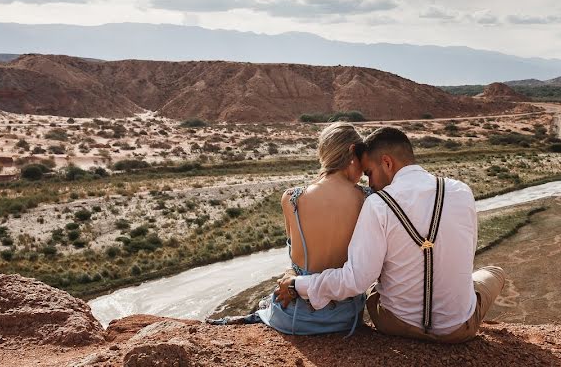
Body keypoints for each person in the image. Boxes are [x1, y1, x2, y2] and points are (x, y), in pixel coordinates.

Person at [276, 126, 506, 343]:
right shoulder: (461, 191)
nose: (370, 183)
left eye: (370, 173)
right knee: (494, 272)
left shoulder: (378, 204)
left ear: (387, 163)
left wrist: (298, 284)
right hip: (458, 330)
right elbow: (466, 253)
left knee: (370, 277)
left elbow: (357, 280)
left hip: (395, 324)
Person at [208, 122, 370, 335]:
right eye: (362, 158)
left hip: (293, 316)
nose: (364, 168)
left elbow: (295, 258)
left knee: (264, 304)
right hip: (345, 317)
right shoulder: (368, 200)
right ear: (352, 152)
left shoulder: (292, 198)